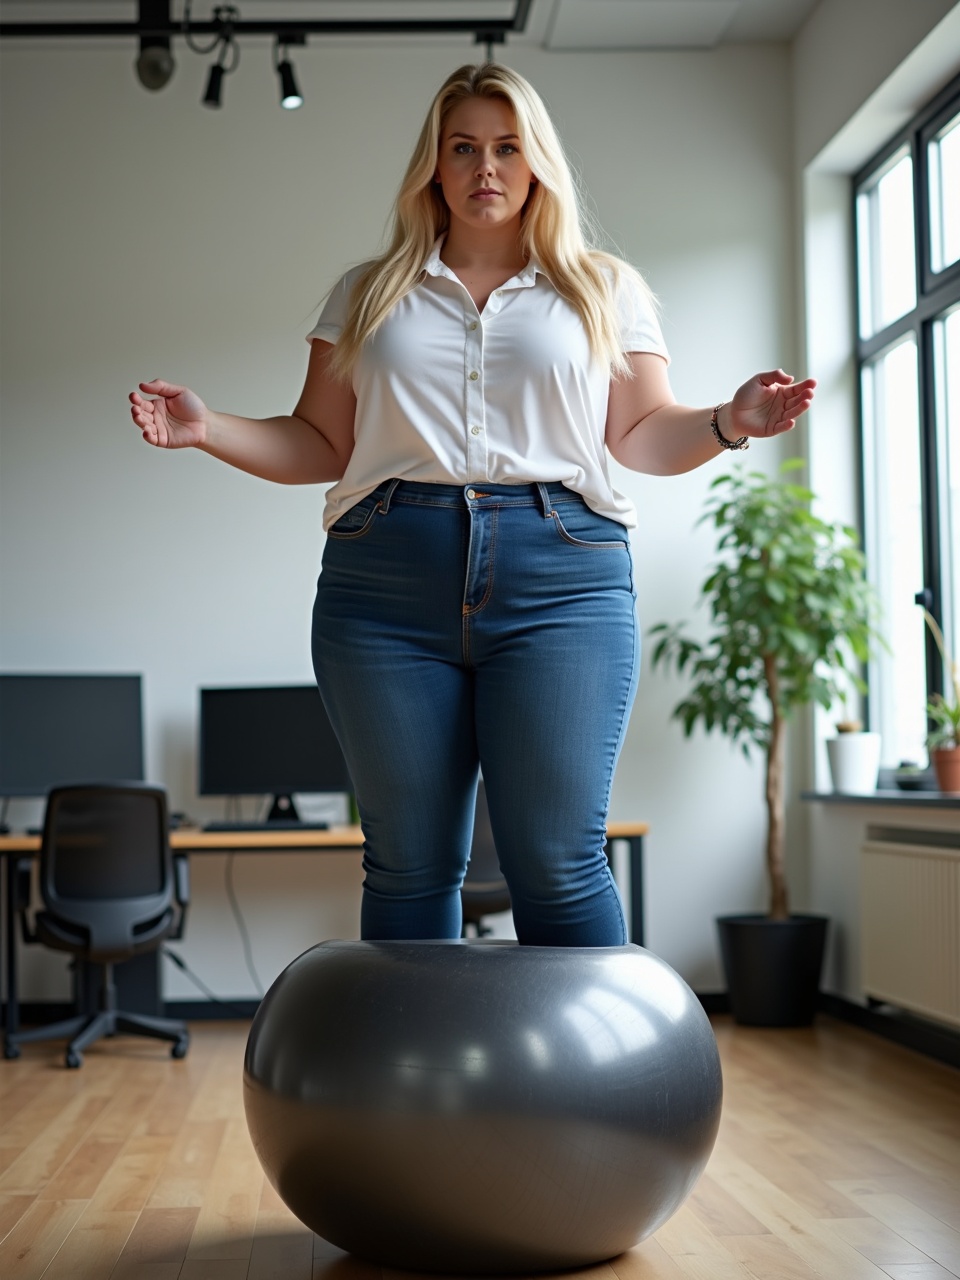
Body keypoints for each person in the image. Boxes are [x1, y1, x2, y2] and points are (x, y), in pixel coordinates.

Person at [130, 62, 814, 947]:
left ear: (536, 166)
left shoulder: (603, 289)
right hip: (383, 582)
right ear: (435, 168)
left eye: (506, 147)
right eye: (463, 149)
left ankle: (589, 1090)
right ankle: (412, 1088)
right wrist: (208, 427)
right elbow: (322, 444)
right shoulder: (367, 292)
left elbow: (641, 434)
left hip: (562, 575)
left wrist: (729, 420)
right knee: (408, 862)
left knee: (559, 861)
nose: (485, 167)